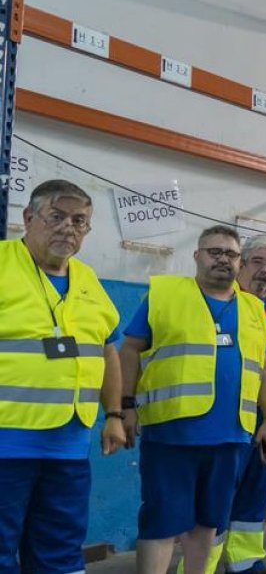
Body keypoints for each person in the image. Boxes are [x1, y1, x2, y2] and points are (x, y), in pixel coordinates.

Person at [119, 225, 266, 574]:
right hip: (172, 434)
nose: (223, 259)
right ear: (197, 256)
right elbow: (129, 349)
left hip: (231, 436)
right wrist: (125, 407)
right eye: (214, 252)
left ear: (240, 263)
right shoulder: (165, 294)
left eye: (231, 254)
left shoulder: (253, 308)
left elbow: (264, 366)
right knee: (162, 521)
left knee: (209, 522)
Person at [0, 180, 124, 573]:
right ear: (28, 218)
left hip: (69, 446)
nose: (68, 227)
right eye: (56, 216)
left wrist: (115, 416)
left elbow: (108, 349)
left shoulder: (88, 280)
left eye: (79, 221)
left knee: (60, 549)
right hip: (6, 445)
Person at [187, 236, 266, 574]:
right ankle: (200, 567)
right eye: (258, 262)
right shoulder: (222, 300)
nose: (265, 270)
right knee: (216, 496)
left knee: (256, 490)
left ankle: (245, 563)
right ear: (242, 263)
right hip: (230, 413)